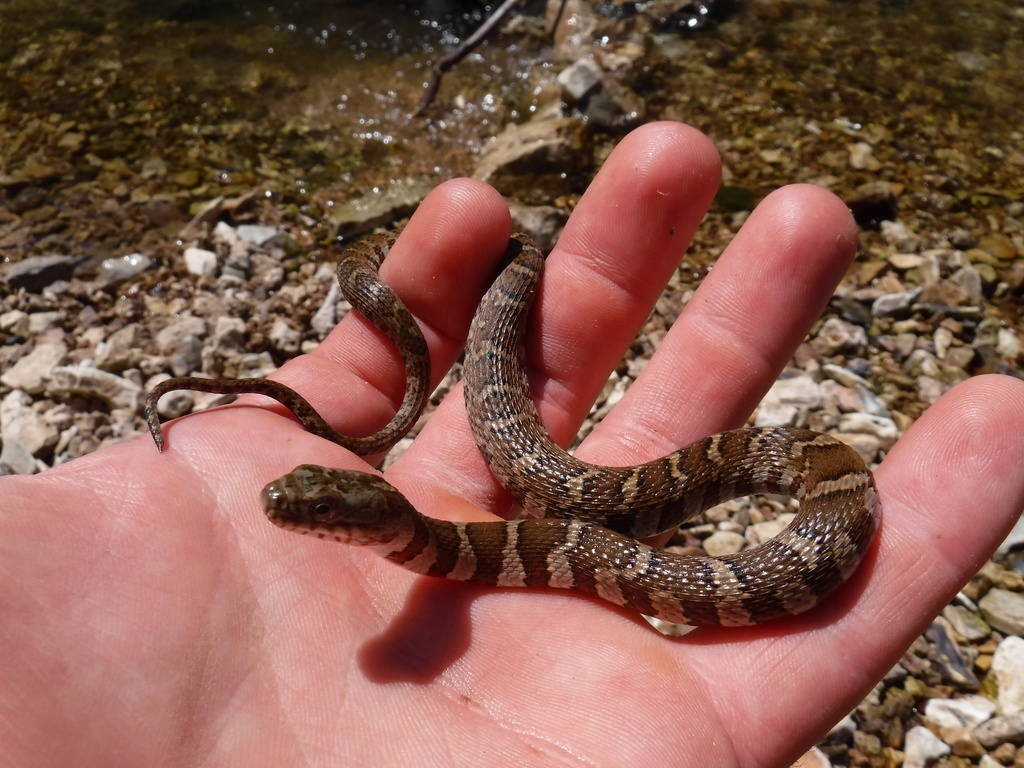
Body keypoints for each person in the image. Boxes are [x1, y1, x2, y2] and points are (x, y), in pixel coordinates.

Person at [2, 121, 1022, 767]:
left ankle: (517, 259)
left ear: (361, 518)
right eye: (317, 502)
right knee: (538, 445)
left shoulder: (441, 534)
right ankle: (496, 264)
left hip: (766, 493)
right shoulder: (421, 539)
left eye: (316, 504)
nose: (296, 510)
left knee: (565, 452)